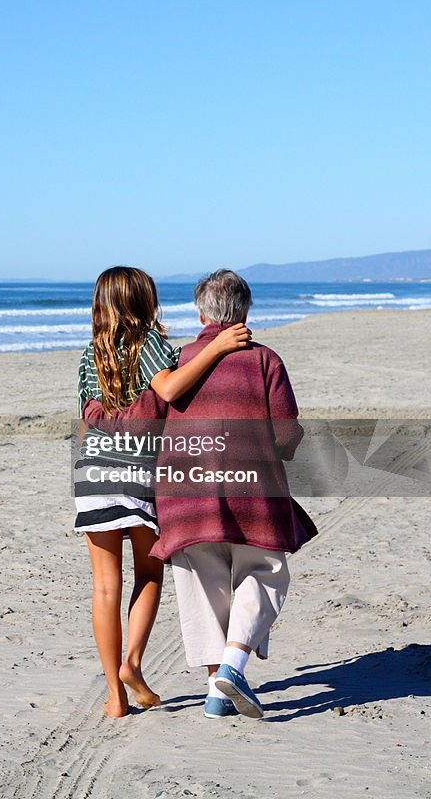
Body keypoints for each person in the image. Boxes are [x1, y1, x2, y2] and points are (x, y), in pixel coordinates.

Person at [83, 269, 317, 720]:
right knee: (264, 573)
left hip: (183, 495)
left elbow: (150, 417)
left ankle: (215, 693)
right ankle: (233, 664)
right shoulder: (266, 360)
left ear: (199, 312)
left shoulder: (176, 361)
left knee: (203, 587)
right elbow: (286, 437)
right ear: (245, 311)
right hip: (254, 494)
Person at [75, 266, 251, 718]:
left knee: (103, 588)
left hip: (92, 472)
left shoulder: (88, 354)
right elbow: (170, 388)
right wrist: (215, 346)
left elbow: (84, 422)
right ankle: (132, 662)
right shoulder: (150, 343)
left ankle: (114, 699)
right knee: (148, 575)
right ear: (143, 301)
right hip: (138, 473)